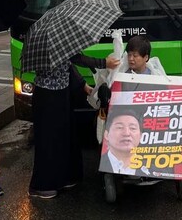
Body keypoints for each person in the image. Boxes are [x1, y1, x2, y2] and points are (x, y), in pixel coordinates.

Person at [29, 51, 120, 199]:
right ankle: (42, 185)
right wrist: (103, 62)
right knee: (49, 140)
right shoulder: (48, 39)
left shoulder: (60, 37)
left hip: (62, 94)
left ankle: (66, 178)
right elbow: (77, 58)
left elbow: (68, 65)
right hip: (46, 97)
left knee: (65, 136)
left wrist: (84, 86)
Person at [99, 109, 142, 175]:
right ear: (106, 135)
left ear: (140, 136)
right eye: (119, 127)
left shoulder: (153, 170)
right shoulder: (94, 165)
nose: (126, 133)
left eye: (132, 128)